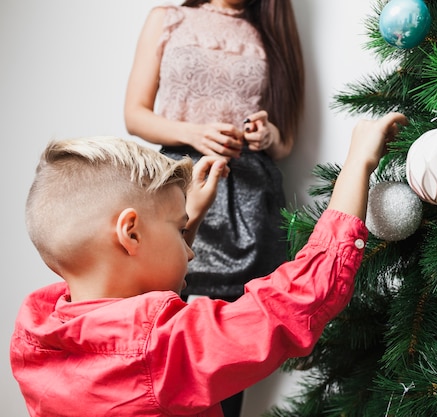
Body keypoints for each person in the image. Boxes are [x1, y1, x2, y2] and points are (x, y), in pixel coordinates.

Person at [10, 112, 408, 417]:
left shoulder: (35, 335)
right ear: (130, 233)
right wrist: (357, 166)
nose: (190, 253)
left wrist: (188, 218)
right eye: (177, 229)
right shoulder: (161, 350)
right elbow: (292, 303)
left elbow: (124, 311)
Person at [124, 0, 304, 408]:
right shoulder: (168, 18)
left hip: (247, 196)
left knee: (229, 342)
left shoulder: (270, 31)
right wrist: (194, 132)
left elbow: (287, 140)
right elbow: (135, 114)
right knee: (155, 318)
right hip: (176, 187)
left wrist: (268, 136)